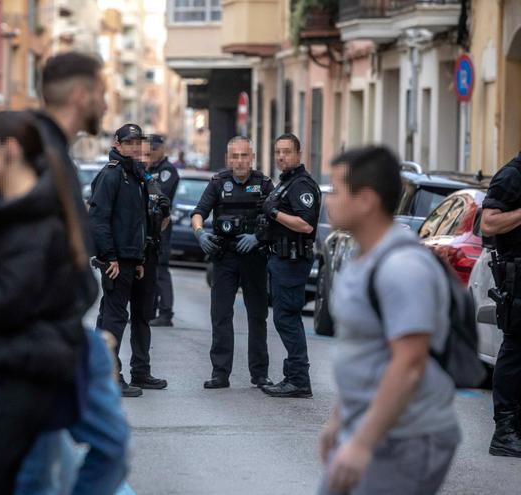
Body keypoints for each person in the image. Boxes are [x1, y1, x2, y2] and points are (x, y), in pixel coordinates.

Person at [0, 111, 89, 494]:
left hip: (16, 380)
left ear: (10, 151)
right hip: (9, 372)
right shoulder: (12, 215)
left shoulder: (34, 226)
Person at [17, 52, 129, 495]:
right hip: (42, 343)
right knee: (39, 472)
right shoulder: (38, 156)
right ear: (81, 95)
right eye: (102, 92)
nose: (105, 103)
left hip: (61, 337)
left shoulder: (51, 152)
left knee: (95, 452)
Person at [318, 146, 460, 494]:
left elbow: (409, 362)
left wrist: (363, 443)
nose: (329, 200)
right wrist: (339, 419)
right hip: (368, 428)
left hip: (406, 437)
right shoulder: (361, 256)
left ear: (365, 200)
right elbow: (365, 349)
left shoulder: (402, 268)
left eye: (336, 190)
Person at [90, 123, 168, 397]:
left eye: (138, 143)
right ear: (117, 144)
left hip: (131, 259)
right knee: (113, 319)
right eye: (129, 142)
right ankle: (109, 376)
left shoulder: (134, 176)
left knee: (130, 316)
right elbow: (99, 220)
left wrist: (137, 260)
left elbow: (137, 224)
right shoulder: (112, 176)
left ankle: (138, 372)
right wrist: (109, 256)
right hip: (116, 261)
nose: (134, 147)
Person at [190, 136, 273, 389]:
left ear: (252, 157)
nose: (239, 161)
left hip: (254, 258)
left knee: (257, 316)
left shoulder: (264, 184)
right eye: (235, 156)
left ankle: (259, 374)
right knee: (220, 315)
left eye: (244, 156)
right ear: (229, 159)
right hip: (225, 257)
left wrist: (258, 237)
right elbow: (198, 213)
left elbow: (276, 218)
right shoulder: (218, 183)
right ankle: (220, 373)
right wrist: (200, 233)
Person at [259, 133, 319, 398]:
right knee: (284, 317)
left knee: (287, 318)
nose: (281, 156)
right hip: (280, 259)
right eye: (277, 152)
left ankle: (298, 379)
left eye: (286, 151)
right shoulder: (286, 183)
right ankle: (294, 376)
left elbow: (306, 224)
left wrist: (273, 212)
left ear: (298, 154)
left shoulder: (301, 185)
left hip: (292, 261)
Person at [480, 152, 521, 457]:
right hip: (517, 276)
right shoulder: (511, 175)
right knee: (515, 349)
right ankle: (504, 431)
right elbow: (489, 222)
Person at [148, 134, 179, 328]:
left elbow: (160, 195)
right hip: (149, 225)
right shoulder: (149, 169)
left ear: (162, 149)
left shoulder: (168, 171)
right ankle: (149, 310)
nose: (150, 153)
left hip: (162, 226)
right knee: (150, 270)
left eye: (153, 149)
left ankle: (166, 312)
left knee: (161, 269)